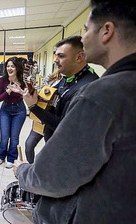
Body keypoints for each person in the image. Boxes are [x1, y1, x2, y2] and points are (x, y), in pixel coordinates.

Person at [13, 0, 136, 223]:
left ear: (106, 31)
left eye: (87, 30)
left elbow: (53, 176)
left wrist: (22, 171)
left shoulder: (99, 93)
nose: (84, 38)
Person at [15, 36, 99, 141]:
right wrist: (34, 93)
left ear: (79, 57)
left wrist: (33, 107)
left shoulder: (87, 88)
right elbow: (50, 94)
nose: (55, 60)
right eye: (55, 56)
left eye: (61, 56)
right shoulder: (69, 76)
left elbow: (64, 127)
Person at [24, 70, 63, 163]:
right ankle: (30, 169)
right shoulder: (50, 77)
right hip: (40, 117)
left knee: (49, 148)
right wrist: (32, 89)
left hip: (52, 120)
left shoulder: (67, 83)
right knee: (29, 145)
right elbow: (41, 91)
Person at [0, 57, 27, 168]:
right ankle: (1, 155)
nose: (9, 68)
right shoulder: (2, 80)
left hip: (19, 110)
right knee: (4, 136)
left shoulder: (23, 81)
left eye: (12, 66)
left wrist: (21, 90)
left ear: (17, 68)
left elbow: (28, 97)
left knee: (14, 137)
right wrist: (8, 90)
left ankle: (11, 157)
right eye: (8, 66)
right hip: (5, 110)